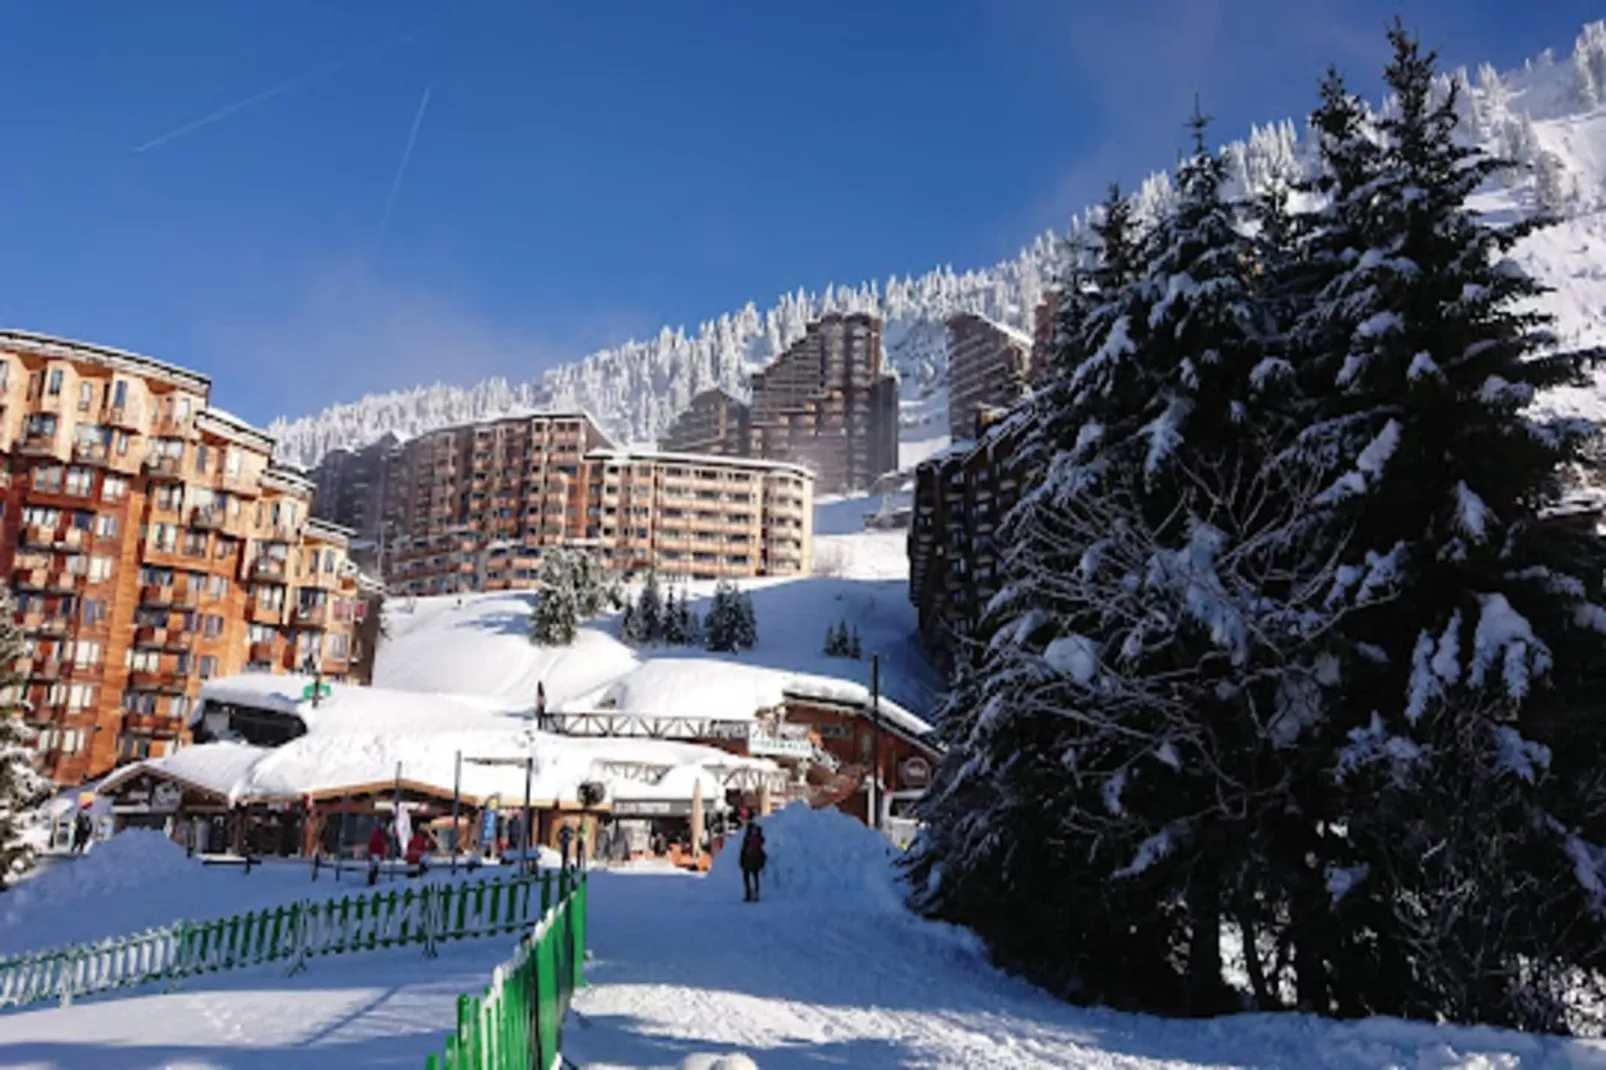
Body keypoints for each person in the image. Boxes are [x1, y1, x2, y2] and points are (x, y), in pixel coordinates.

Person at [739, 822, 766, 902]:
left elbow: (743, 850)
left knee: (746, 877)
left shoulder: (747, 838)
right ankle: (756, 893)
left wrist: (741, 861)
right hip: (756, 860)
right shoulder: (759, 838)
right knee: (755, 876)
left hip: (747, 860)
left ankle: (748, 894)